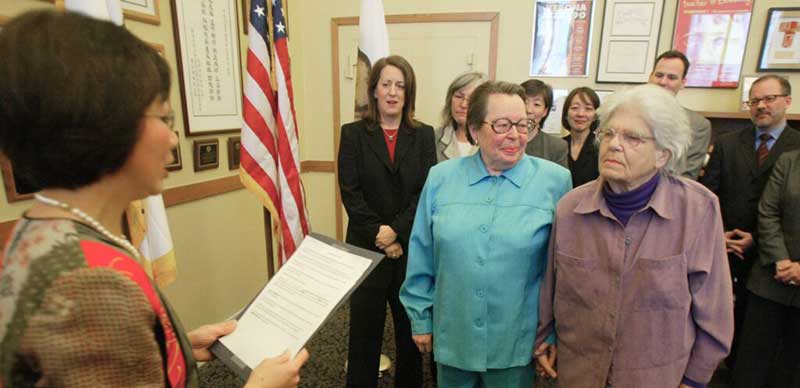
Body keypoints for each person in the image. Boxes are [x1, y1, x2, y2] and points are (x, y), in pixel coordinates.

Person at [0, 10, 307, 388]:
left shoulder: (43, 225)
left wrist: (173, 344)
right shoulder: (92, 286)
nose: (173, 138)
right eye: (164, 118)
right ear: (107, 125)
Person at [536, 84, 734, 388]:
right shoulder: (570, 209)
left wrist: (695, 380)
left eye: (632, 138)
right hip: (579, 373)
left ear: (662, 155)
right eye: (609, 134)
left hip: (656, 378)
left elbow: (715, 309)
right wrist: (545, 336)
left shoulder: (698, 209)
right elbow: (553, 288)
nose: (614, 145)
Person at [400, 81, 572, 387]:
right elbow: (422, 252)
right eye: (503, 125)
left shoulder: (555, 181)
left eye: (523, 124)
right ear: (475, 130)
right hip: (455, 334)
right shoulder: (441, 178)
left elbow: (563, 269)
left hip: (516, 341)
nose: (516, 135)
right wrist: (420, 317)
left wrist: (553, 331)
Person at [338, 54, 435, 388]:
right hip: (366, 249)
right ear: (374, 90)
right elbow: (350, 192)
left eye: (400, 85)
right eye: (386, 84)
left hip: (409, 250)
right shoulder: (352, 134)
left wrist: (396, 232)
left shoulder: (423, 135)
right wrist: (380, 233)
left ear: (408, 93)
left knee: (409, 332)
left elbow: (424, 192)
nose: (393, 92)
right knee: (364, 332)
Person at [701, 74, 800, 369]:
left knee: (753, 328)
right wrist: (720, 234)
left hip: (771, 255)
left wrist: (756, 238)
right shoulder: (728, 143)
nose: (761, 106)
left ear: (787, 101)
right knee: (713, 310)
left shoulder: (797, 147)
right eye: (754, 100)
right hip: (724, 242)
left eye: (769, 99)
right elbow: (710, 193)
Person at [732, 144, 800, 385]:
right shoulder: (789, 161)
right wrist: (781, 259)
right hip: (770, 280)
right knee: (749, 366)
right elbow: (767, 211)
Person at [648, 50, 712, 180]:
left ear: (682, 83)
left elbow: (687, 177)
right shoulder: (627, 114)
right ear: (650, 77)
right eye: (659, 75)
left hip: (668, 195)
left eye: (672, 78)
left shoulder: (698, 125)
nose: (663, 82)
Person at [434, 72, 486, 162]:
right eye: (458, 96)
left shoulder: (492, 139)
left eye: (471, 99)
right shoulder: (434, 138)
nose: (463, 104)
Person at [521, 79, 568, 167]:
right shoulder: (502, 140)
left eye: (537, 104)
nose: (528, 110)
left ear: (545, 111)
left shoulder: (557, 146)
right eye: (524, 102)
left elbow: (560, 180)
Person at [563, 87, 600, 187]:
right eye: (575, 108)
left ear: (595, 116)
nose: (580, 114)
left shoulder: (602, 146)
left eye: (588, 109)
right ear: (566, 114)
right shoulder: (557, 146)